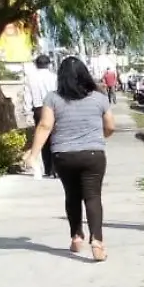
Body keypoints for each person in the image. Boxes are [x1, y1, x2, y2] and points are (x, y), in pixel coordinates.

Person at [25, 56, 116, 262]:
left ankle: (76, 236)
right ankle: (97, 242)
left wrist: (34, 153)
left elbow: (45, 126)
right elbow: (110, 126)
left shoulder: (53, 98)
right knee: (92, 197)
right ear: (84, 74)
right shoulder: (99, 97)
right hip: (93, 155)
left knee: (72, 196)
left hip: (63, 156)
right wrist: (98, 138)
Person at [23, 55, 59, 178]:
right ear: (48, 64)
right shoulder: (54, 77)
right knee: (56, 137)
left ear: (36, 64)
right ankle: (56, 168)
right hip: (54, 108)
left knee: (42, 138)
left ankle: (48, 168)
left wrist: (27, 110)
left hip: (39, 109)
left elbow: (27, 96)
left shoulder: (30, 78)